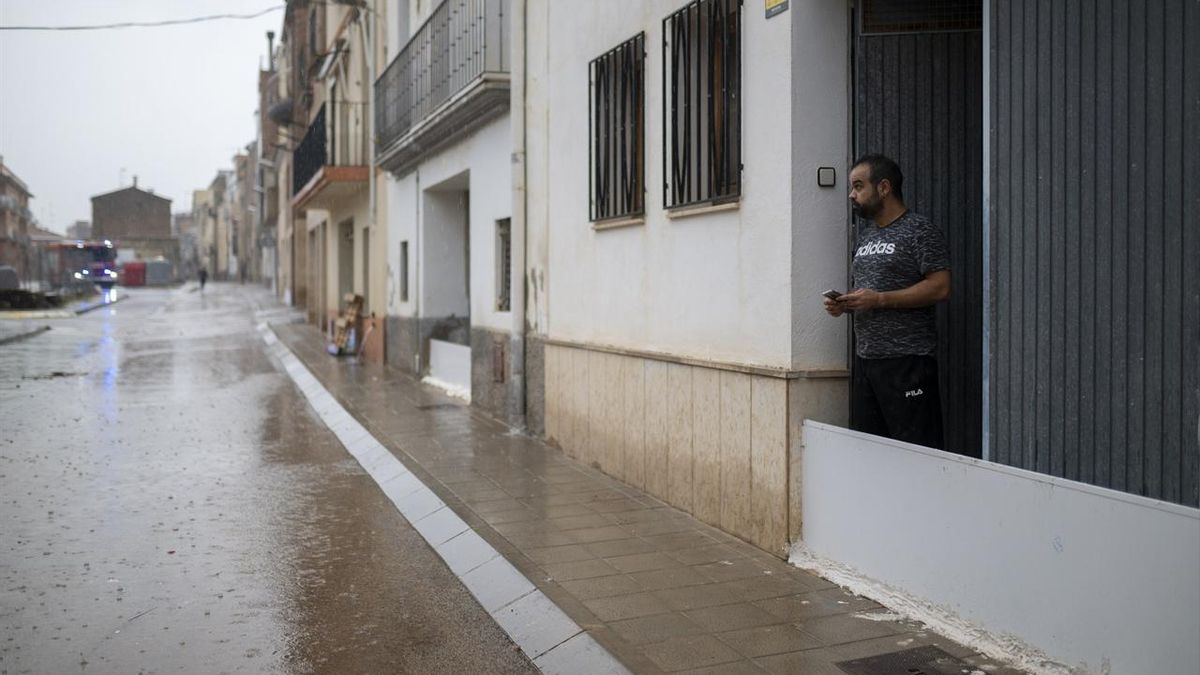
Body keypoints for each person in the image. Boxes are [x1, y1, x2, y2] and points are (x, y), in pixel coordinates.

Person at [825, 154, 951, 449]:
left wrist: (880, 299)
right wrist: (845, 304)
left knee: (917, 455)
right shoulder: (866, 238)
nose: (851, 195)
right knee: (871, 454)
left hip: (908, 363)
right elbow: (869, 293)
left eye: (858, 186)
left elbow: (941, 287)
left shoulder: (920, 231)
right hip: (867, 363)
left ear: (883, 187)